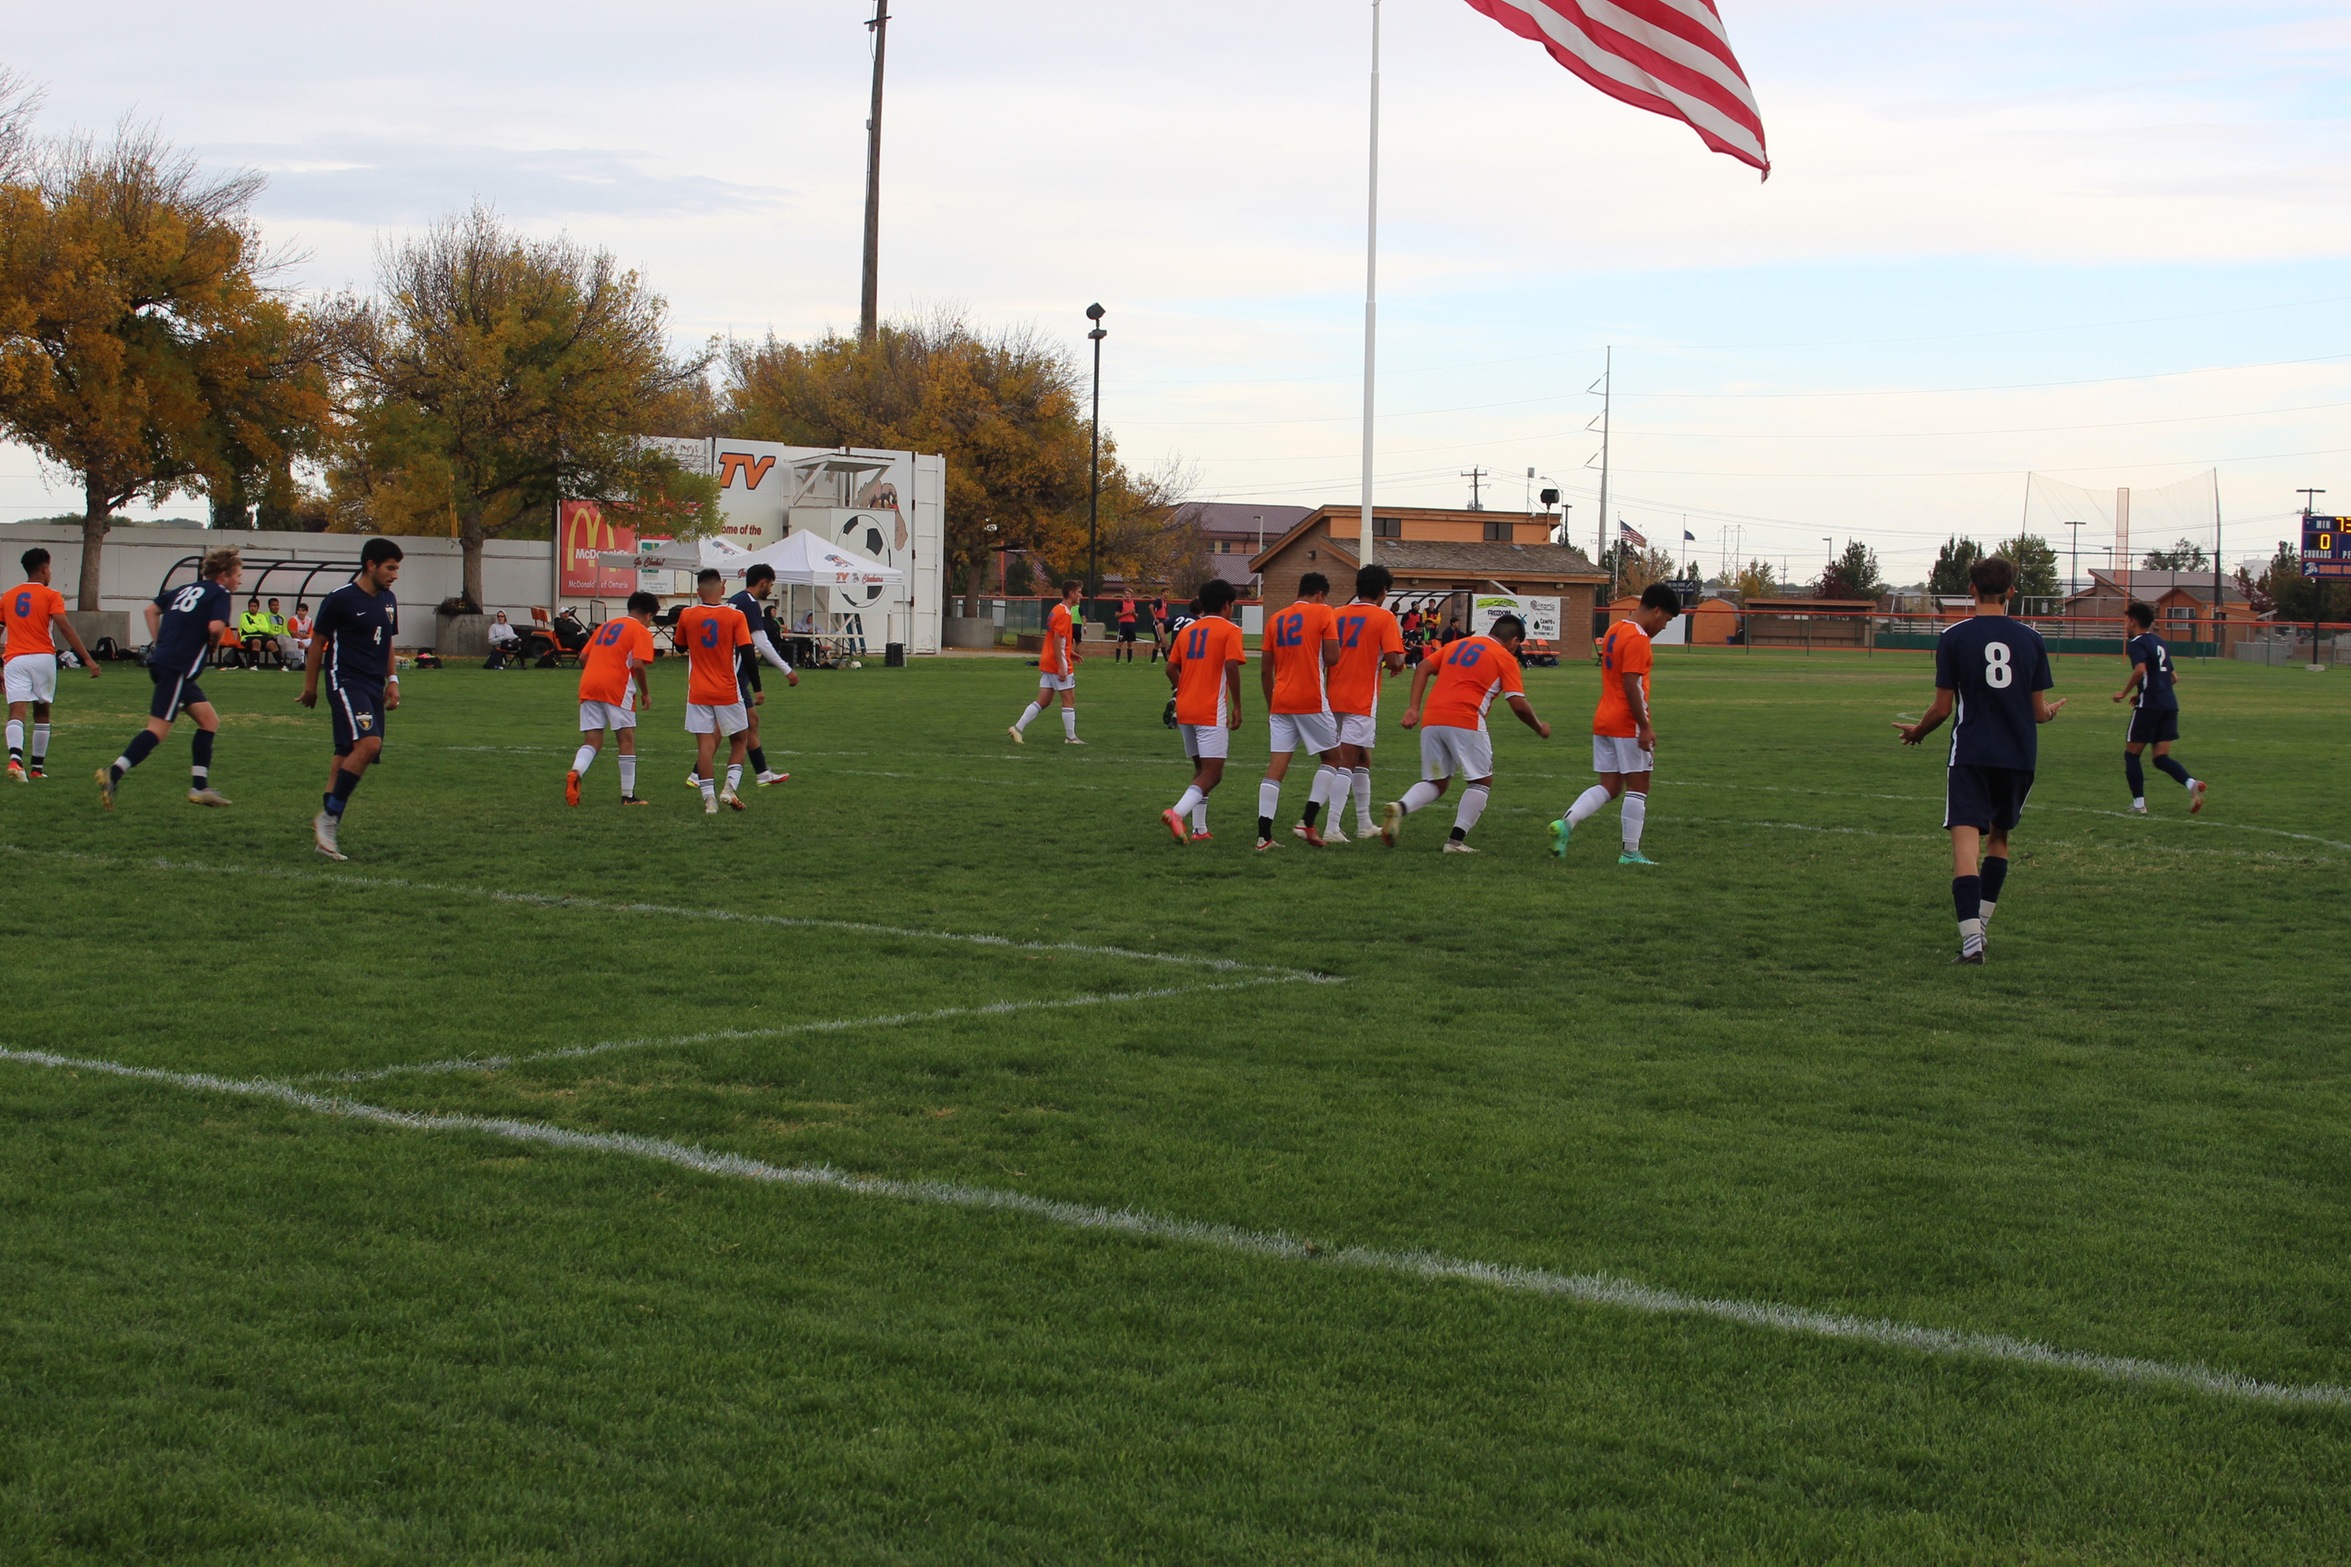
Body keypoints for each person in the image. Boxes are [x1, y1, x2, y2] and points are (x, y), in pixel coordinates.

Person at [1894, 555, 2067, 964]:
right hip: (2019, 754)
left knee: (1965, 846)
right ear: (2011, 592)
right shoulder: (2032, 639)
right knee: (2000, 839)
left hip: (1972, 752)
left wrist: (1918, 732)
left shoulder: (1955, 637)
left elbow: (1941, 708)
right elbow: (2038, 712)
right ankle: (1980, 928)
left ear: (1971, 590)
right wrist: (2052, 711)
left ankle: (1972, 942)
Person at [1384, 613, 1549, 852]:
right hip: (1465, 719)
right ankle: (1455, 841)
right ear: (1514, 640)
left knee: (1437, 781)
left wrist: (1412, 708)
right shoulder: (1504, 657)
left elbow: (1422, 668)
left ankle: (1400, 807)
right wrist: (1538, 726)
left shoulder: (1458, 644)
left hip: (1433, 718)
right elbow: (1517, 703)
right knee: (1481, 780)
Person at [98, 547, 239, 810]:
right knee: (157, 730)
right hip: (177, 668)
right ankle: (113, 773)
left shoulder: (185, 589)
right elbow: (216, 627)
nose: (240, 580)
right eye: (238, 574)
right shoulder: (221, 593)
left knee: (209, 721)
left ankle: (200, 786)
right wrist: (215, 644)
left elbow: (151, 610)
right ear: (224, 575)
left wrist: (159, 641)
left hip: (170, 665)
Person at [1554, 583, 1680, 867]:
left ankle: (1566, 824)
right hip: (1626, 722)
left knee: (1610, 786)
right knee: (1639, 786)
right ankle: (1630, 853)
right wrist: (1644, 726)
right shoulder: (1637, 638)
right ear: (1657, 610)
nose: (1663, 627)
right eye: (1666, 621)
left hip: (1604, 719)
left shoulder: (1615, 629)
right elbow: (1631, 683)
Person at [298, 538, 404, 858]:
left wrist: (393, 680)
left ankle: (325, 840)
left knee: (344, 756)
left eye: (397, 568)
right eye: (390, 568)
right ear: (370, 565)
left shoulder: (388, 600)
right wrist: (311, 687)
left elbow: (386, 643)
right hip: (345, 680)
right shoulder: (340, 599)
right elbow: (317, 644)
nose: (395, 575)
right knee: (369, 745)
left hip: (373, 685)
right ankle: (329, 819)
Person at [1321, 563, 1406, 842]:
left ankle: (1363, 822)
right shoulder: (1384, 618)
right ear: (1383, 591)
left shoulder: (1336, 614)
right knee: (1345, 761)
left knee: (1362, 758)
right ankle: (1332, 826)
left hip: (1332, 695)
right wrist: (1398, 662)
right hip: (1361, 698)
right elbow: (1394, 659)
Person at [1257, 572, 1341, 850]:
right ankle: (1306, 821)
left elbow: (1264, 670)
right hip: (1311, 699)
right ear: (1320, 594)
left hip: (1280, 700)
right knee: (1332, 758)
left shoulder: (1276, 619)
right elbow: (1332, 657)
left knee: (1276, 768)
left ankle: (1264, 836)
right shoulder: (1323, 612)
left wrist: (1272, 708)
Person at [1160, 578, 1246, 843]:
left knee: (1201, 770)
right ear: (1226, 605)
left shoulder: (1188, 632)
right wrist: (1238, 705)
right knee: (1213, 773)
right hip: (1210, 710)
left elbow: (1170, 668)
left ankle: (1199, 830)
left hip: (1185, 708)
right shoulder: (1230, 630)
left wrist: (1182, 687)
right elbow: (1231, 666)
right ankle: (1177, 813)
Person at [4, 548, 99, 782]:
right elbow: (64, 628)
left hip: (14, 659)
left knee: (16, 712)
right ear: (45, 568)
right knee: (42, 711)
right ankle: (36, 769)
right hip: (42, 658)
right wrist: (87, 659)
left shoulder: (7, 596)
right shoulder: (51, 595)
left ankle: (16, 760)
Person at [2115, 600, 2207, 815]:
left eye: (2126, 620)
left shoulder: (2136, 643)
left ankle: (2139, 804)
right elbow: (2173, 677)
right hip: (2169, 704)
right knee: (2160, 758)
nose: (2125, 624)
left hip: (2149, 707)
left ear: (2134, 621)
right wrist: (2143, 691)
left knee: (2132, 755)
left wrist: (2125, 692)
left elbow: (2139, 670)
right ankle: (2190, 783)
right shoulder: (2159, 641)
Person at [568, 592, 659, 807]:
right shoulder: (640, 631)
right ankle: (628, 797)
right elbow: (637, 664)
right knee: (626, 740)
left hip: (589, 684)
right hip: (617, 687)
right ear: (648, 615)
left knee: (593, 740)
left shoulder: (605, 627)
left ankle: (576, 771)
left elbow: (583, 656)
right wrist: (645, 692)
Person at [677, 567, 754, 814]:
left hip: (698, 691)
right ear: (722, 588)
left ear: (698, 592)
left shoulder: (687, 614)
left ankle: (709, 800)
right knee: (741, 740)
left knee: (705, 746)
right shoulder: (735, 616)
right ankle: (729, 788)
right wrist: (758, 686)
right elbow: (747, 651)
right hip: (727, 690)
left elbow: (679, 646)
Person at [727, 564, 799, 787]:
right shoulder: (748, 603)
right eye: (771, 584)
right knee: (725, 726)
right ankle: (697, 773)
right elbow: (760, 641)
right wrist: (786, 669)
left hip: (729, 669)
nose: (771, 589)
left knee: (750, 721)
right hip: (736, 671)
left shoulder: (736, 599)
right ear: (763, 582)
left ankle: (762, 773)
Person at [1010, 579, 1084, 745]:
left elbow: (1054, 639)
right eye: (1079, 592)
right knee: (1069, 699)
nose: (1081, 595)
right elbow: (1058, 640)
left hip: (1048, 659)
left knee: (1043, 700)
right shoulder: (1065, 613)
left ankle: (1017, 728)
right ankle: (1071, 738)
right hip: (1058, 663)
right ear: (1071, 593)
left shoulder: (1056, 609)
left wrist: (1070, 652)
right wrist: (1061, 666)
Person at [282, 601, 312, 668]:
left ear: (306, 612)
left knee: (313, 645)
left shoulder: (309, 620)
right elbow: (293, 634)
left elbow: (309, 634)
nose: (300, 612)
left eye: (303, 611)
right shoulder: (293, 619)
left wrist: (301, 635)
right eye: (299, 610)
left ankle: (310, 664)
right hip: (294, 640)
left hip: (304, 639)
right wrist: (303, 636)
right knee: (301, 644)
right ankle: (301, 663)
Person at [1115, 594, 1139, 662]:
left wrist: (1133, 613)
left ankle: (1129, 661)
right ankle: (1117, 660)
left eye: (1128, 594)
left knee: (1130, 643)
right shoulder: (1120, 603)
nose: (1127, 595)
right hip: (1123, 625)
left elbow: (1137, 616)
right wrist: (1126, 613)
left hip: (1131, 625)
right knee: (1120, 643)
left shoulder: (1134, 603)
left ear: (1131, 595)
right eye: (1126, 594)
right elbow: (1116, 615)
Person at [1148, 594, 1170, 663]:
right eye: (1166, 592)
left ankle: (1156, 660)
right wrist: (1155, 617)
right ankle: (1164, 660)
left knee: (1159, 642)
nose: (1167, 594)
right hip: (1157, 623)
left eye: (1168, 592)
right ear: (1162, 593)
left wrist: (1166, 617)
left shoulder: (1165, 602)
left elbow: (1165, 612)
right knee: (1160, 641)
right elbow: (1151, 607)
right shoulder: (1158, 600)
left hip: (1162, 622)